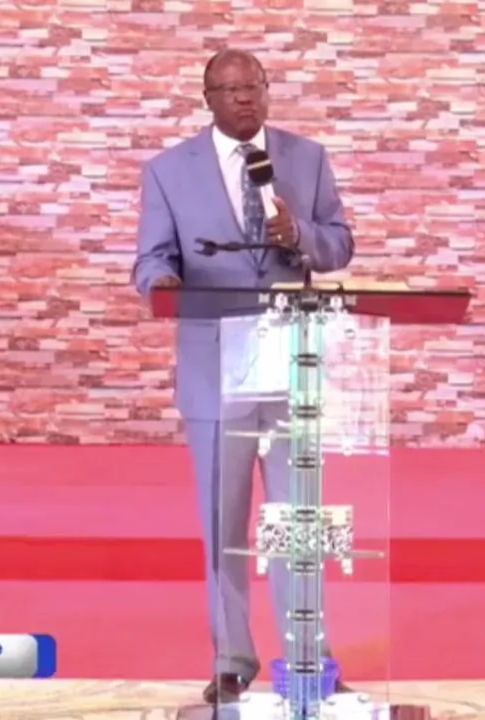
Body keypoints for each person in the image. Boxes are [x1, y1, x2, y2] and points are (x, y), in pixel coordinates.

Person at [130, 49, 355, 703]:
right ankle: (232, 658)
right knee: (224, 526)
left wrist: (300, 234)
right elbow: (150, 260)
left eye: (253, 86)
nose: (243, 98)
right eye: (228, 90)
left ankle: (308, 657)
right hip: (214, 366)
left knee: (296, 521)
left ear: (267, 89)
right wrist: (162, 283)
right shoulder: (169, 171)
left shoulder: (307, 159)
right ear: (207, 98)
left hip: (292, 365)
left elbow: (340, 243)